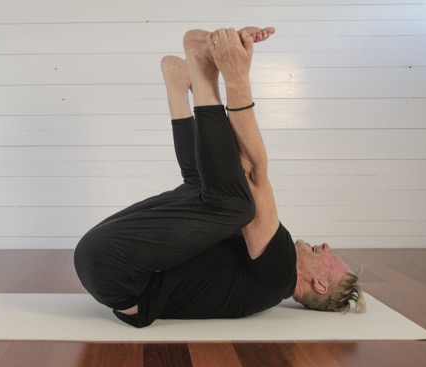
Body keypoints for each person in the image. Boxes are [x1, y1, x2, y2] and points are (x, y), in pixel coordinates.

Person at [74, 27, 365, 328]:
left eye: (333, 260)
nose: (327, 247)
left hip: (116, 271)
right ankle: (178, 84)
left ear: (320, 285)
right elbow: (229, 170)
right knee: (206, 187)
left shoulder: (282, 273)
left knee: (237, 205)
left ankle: (200, 70)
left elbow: (251, 173)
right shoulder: (266, 280)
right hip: (102, 263)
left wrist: (234, 77)